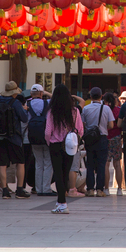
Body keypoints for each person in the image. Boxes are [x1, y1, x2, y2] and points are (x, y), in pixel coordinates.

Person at [45, 84, 83, 214]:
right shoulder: (75, 111)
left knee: (58, 174)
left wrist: (49, 143)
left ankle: (62, 203)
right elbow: (80, 130)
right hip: (70, 145)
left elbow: (48, 132)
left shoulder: (52, 112)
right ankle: (60, 202)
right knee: (65, 173)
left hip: (55, 145)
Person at [0, 81, 30, 199]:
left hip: (1, 136)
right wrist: (25, 109)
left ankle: (4, 191)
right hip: (15, 137)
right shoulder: (16, 103)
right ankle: (19, 190)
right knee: (20, 163)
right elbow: (24, 118)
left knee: (2, 164)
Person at [81, 87, 113, 197]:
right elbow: (111, 125)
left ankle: (89, 189)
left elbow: (83, 125)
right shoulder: (107, 109)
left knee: (90, 164)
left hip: (90, 139)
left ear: (90, 97)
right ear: (101, 96)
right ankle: (100, 190)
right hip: (102, 138)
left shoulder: (85, 108)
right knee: (101, 164)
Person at [27, 84, 53, 196]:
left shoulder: (27, 104)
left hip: (32, 137)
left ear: (31, 94)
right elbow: (55, 98)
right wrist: (47, 93)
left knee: (38, 163)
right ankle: (46, 189)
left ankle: (38, 188)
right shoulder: (47, 103)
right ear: (41, 93)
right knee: (48, 163)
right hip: (46, 136)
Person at [104, 92, 123, 196]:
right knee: (117, 164)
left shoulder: (103, 110)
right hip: (116, 138)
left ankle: (106, 189)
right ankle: (119, 189)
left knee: (106, 164)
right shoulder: (119, 110)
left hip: (106, 138)